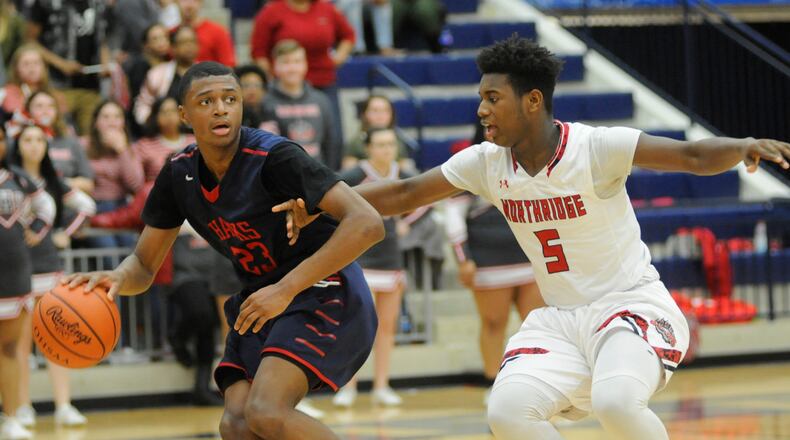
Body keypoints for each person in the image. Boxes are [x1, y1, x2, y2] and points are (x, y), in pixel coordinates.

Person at [275, 36, 790, 439]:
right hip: (561, 319)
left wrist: (744, 144)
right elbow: (402, 193)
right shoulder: (484, 163)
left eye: (492, 97)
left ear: (532, 101)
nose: (481, 109)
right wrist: (321, 199)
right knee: (507, 410)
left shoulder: (595, 147)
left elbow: (693, 156)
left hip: (630, 304)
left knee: (615, 403)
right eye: (480, 97)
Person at [63, 61, 383, 439]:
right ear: (184, 114)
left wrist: (284, 290)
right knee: (235, 423)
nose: (220, 108)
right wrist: (116, 278)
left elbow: (368, 223)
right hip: (263, 298)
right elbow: (144, 266)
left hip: (323, 289)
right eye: (207, 101)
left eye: (230, 99)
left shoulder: (275, 157)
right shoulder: (178, 174)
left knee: (265, 412)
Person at [444, 124, 543, 405]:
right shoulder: (471, 164)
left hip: (529, 256)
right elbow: (453, 218)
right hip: (487, 260)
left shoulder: (530, 160)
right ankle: (494, 385)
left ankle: (539, 386)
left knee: (539, 325)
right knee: (493, 323)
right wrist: (464, 260)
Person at [10, 124, 96, 429]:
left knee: (55, 339)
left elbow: (87, 205)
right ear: (16, 145)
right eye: (27, 140)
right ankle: (22, 406)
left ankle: (64, 405)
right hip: (15, 266)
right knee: (18, 343)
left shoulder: (54, 180)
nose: (33, 146)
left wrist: (64, 233)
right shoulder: (11, 179)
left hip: (49, 264)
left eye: (38, 140)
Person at [332, 127, 407, 408]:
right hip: (360, 257)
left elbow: (426, 205)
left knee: (387, 327)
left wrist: (405, 222)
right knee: (355, 324)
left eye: (390, 143)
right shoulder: (353, 176)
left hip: (391, 258)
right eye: (380, 144)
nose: (386, 149)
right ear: (369, 148)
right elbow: (331, 200)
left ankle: (381, 386)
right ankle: (347, 387)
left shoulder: (404, 173)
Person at [0, 123, 55, 440]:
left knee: (9, 348)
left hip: (16, 273)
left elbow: (47, 204)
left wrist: (36, 227)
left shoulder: (19, 178)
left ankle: (10, 417)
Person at [27, 0, 112, 135]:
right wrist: (61, 64)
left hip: (91, 85)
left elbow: (102, 39)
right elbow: (30, 41)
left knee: (89, 137)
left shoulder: (97, 4)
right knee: (59, 135)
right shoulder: (45, 3)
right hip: (57, 85)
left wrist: (105, 62)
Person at [260, 40, 340, 170]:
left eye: (297, 61)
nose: (292, 68)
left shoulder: (321, 100)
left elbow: (331, 143)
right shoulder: (265, 102)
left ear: (305, 64)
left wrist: (329, 176)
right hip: (282, 178)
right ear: (275, 66)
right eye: (286, 62)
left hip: (317, 175)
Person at [85, 100, 144, 250]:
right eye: (106, 117)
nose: (112, 122)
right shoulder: (83, 145)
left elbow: (137, 185)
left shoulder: (130, 148)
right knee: (109, 256)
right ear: (95, 123)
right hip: (94, 207)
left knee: (128, 254)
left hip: (121, 207)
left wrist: (122, 150)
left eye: (117, 117)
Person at [20, 90, 94, 194]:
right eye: (39, 106)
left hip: (65, 198)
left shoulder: (71, 141)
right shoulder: (18, 140)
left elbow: (88, 183)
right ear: (27, 111)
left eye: (51, 106)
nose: (45, 111)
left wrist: (59, 183)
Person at [134, 25, 198, 126]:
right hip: (163, 133)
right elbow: (143, 104)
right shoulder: (156, 74)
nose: (189, 46)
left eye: (192, 41)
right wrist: (150, 123)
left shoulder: (207, 74)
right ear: (173, 47)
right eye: (184, 42)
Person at [342, 94, 414, 172]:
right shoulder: (356, 142)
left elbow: (407, 170)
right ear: (364, 114)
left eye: (385, 111)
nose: (380, 115)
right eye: (375, 111)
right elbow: (348, 173)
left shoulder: (399, 140)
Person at [134, 96, 195, 182]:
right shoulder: (144, 145)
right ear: (156, 117)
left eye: (173, 111)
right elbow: (136, 182)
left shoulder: (194, 142)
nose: (169, 116)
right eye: (164, 112)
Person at [1, 44, 68, 118]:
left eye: (36, 63)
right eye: (26, 64)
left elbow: (62, 123)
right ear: (16, 69)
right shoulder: (6, 93)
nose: (32, 68)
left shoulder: (55, 96)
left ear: (44, 67)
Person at [124, 24, 172, 110]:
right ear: (146, 45)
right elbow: (138, 97)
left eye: (165, 37)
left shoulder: (170, 63)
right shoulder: (140, 67)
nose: (162, 42)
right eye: (155, 39)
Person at [175, 0, 235, 67]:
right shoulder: (171, 33)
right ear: (176, 2)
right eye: (184, 0)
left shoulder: (218, 32)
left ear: (201, 3)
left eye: (195, 0)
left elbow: (228, 67)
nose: (189, 5)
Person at [234, 64, 268, 130]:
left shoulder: (273, 114)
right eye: (246, 85)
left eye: (257, 85)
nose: (252, 91)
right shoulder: (234, 119)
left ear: (264, 90)